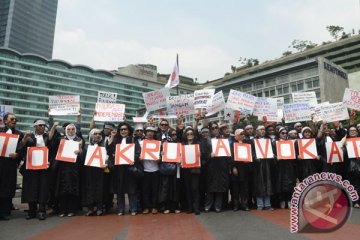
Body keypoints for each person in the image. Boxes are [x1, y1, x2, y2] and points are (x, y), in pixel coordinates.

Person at [50, 123, 84, 217]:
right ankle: (62, 210)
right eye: (69, 129)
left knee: (72, 189)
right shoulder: (61, 140)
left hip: (74, 169)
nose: (71, 131)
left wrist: (80, 150)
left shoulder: (79, 140)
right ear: (65, 131)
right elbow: (51, 142)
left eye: (73, 129)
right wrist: (53, 126)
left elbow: (82, 155)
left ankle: (71, 210)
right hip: (63, 168)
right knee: (62, 189)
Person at [107, 122, 140, 216]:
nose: (123, 131)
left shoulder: (133, 139)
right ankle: (120, 209)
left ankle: (133, 208)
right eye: (121, 129)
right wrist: (112, 137)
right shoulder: (116, 140)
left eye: (125, 129)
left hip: (130, 167)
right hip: (118, 169)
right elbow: (109, 151)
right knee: (119, 189)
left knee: (131, 189)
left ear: (129, 130)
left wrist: (134, 160)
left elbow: (138, 152)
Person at [20, 119, 51, 220]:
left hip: (43, 167)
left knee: (43, 188)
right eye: (40, 125)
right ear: (35, 126)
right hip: (31, 167)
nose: (42, 127)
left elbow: (53, 150)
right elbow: (20, 147)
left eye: (43, 125)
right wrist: (25, 137)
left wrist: (49, 161)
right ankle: (32, 211)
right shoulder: (29, 137)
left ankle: (42, 211)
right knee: (31, 189)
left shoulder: (48, 137)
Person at [0, 113, 24, 221]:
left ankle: (5, 212)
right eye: (12, 119)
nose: (14, 120)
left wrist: (18, 155)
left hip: (10, 165)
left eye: (15, 119)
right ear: (5, 121)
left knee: (8, 188)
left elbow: (22, 150)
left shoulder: (20, 134)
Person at [204, 121, 230, 212]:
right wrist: (209, 155)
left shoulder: (223, 139)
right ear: (210, 130)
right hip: (211, 166)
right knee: (210, 186)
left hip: (222, 165)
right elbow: (203, 154)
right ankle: (208, 205)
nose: (215, 129)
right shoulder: (206, 140)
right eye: (213, 128)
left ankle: (218, 206)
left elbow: (228, 151)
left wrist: (228, 154)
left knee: (220, 186)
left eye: (216, 128)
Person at [82, 128, 106, 216]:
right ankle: (90, 208)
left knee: (99, 188)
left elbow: (108, 158)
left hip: (100, 171)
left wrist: (106, 163)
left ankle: (99, 208)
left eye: (99, 134)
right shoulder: (86, 146)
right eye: (95, 134)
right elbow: (82, 158)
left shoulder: (104, 146)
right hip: (89, 171)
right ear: (91, 135)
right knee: (89, 189)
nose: (97, 135)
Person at [252, 125, 274, 210]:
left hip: (267, 164)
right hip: (258, 166)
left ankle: (268, 204)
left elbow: (273, 151)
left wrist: (273, 156)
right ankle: (260, 205)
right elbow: (251, 152)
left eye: (264, 130)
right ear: (257, 131)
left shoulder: (269, 140)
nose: (263, 131)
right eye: (261, 129)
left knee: (268, 183)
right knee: (259, 184)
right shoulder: (253, 141)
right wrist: (254, 157)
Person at [275, 127, 297, 209]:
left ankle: (289, 200)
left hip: (289, 166)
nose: (284, 135)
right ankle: (282, 200)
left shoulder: (291, 143)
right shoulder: (275, 143)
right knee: (280, 183)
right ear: (279, 134)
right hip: (280, 166)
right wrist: (276, 158)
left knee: (290, 183)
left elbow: (295, 153)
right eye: (282, 133)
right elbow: (272, 154)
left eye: (285, 133)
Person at [230, 129, 252, 211]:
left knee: (244, 188)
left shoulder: (247, 144)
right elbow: (231, 156)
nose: (243, 135)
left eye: (243, 134)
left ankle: (244, 204)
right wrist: (233, 167)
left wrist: (249, 160)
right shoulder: (232, 145)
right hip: (236, 168)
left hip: (245, 168)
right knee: (235, 188)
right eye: (241, 134)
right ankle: (235, 205)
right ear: (236, 135)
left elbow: (250, 155)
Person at [140, 126, 160, 214]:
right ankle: (146, 207)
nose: (150, 133)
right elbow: (137, 155)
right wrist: (140, 158)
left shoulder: (158, 143)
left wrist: (159, 159)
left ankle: (154, 207)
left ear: (154, 133)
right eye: (148, 131)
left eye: (152, 131)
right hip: (145, 169)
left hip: (156, 169)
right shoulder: (141, 143)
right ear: (145, 132)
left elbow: (162, 156)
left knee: (155, 189)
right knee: (145, 190)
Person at [182, 127, 201, 215]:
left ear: (194, 135)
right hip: (185, 170)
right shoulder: (182, 145)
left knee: (195, 188)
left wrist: (200, 155)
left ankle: (196, 207)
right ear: (185, 135)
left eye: (191, 134)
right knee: (188, 189)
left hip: (195, 170)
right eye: (188, 134)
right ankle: (190, 207)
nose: (190, 135)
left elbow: (203, 157)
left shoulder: (198, 144)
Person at [345, 125, 360, 208]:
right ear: (348, 132)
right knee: (353, 185)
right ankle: (356, 202)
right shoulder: (346, 141)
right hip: (350, 166)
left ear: (357, 132)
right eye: (351, 130)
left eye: (354, 130)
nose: (353, 131)